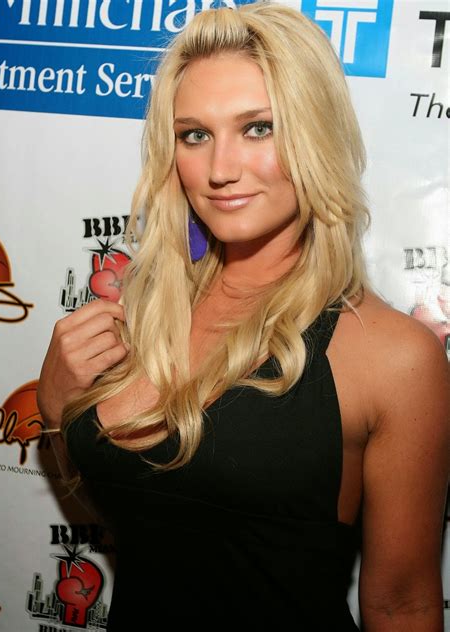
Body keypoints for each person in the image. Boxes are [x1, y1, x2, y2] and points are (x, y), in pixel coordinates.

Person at [37, 3, 449, 630]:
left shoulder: (393, 356)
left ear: (316, 136)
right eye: (195, 135)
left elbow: (401, 602)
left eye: (258, 128)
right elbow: (147, 517)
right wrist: (55, 412)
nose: (220, 170)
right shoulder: (138, 315)